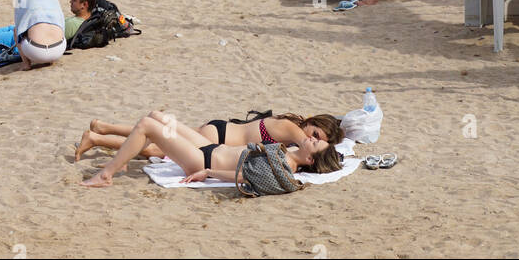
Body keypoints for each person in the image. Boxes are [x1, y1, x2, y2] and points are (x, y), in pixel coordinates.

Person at [81, 110, 337, 188]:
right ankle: (122, 155)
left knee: (149, 126)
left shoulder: (284, 166)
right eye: (316, 137)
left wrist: (209, 173)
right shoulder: (285, 153)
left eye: (316, 143)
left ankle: (106, 174)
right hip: (209, 146)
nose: (311, 139)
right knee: (159, 117)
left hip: (201, 159)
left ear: (311, 160)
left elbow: (244, 176)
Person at [76, 110, 343, 162]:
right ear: (314, 123)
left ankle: (103, 128)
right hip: (218, 140)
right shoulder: (295, 131)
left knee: (159, 137)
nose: (312, 138)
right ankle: (98, 137)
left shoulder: (291, 122)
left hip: (219, 133)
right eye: (317, 134)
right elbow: (311, 155)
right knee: (155, 149)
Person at [13, 0, 67, 69]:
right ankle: (50, 60)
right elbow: (61, 23)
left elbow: (19, 28)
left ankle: (26, 64)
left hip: (36, 51)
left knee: (15, 30)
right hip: (59, 49)